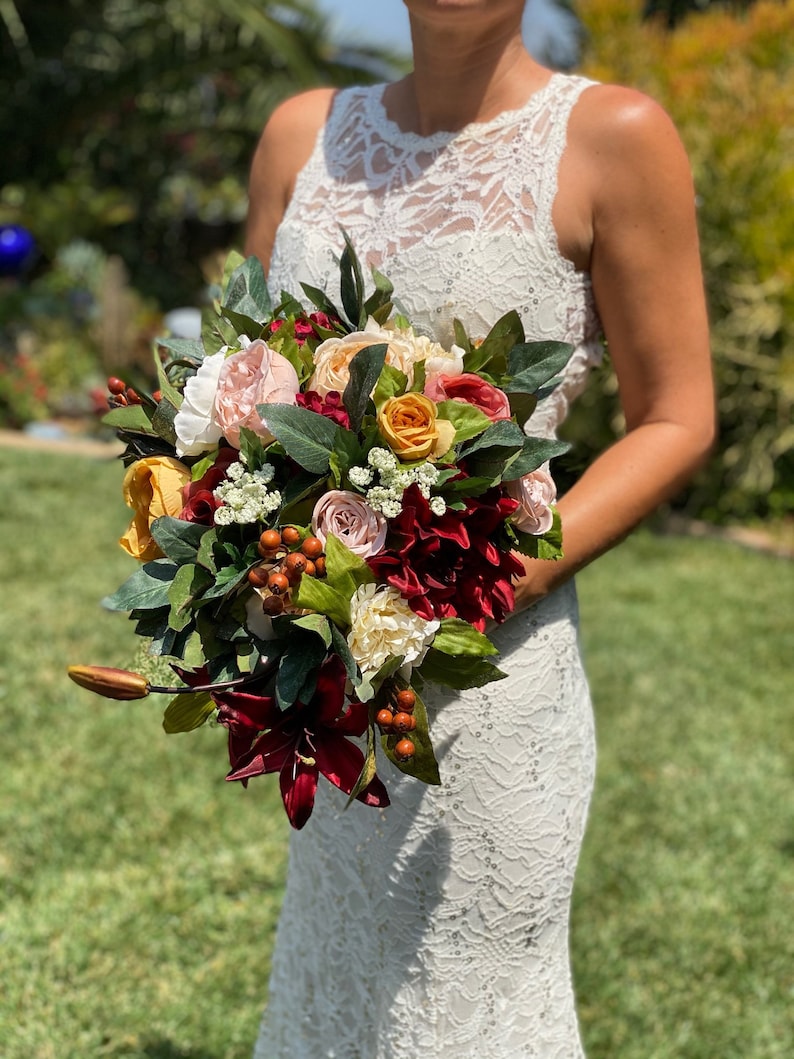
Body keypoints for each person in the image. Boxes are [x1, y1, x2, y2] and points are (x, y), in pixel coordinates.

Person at [243, 1, 715, 1055]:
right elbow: (254, 384)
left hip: (494, 686)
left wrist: (492, 577)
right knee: (337, 983)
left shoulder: (614, 137)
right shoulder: (297, 134)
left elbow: (677, 417)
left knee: (467, 1013)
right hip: (328, 684)